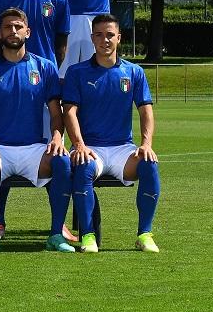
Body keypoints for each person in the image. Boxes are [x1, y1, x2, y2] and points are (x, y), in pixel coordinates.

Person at [0, 8, 74, 252]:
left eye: (18, 27)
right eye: (7, 27)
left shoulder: (45, 67)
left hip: (34, 148)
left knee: (62, 162)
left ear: (28, 31)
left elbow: (56, 114)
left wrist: (57, 138)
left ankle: (56, 234)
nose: (13, 31)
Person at [62, 13, 162, 253]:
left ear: (119, 38)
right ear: (92, 38)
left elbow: (146, 111)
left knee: (149, 164)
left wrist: (146, 144)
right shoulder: (77, 72)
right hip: (90, 147)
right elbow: (69, 112)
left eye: (109, 35)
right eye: (99, 35)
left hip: (122, 148)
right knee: (83, 166)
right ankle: (88, 236)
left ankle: (144, 234)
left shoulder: (134, 72)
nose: (104, 40)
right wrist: (79, 144)